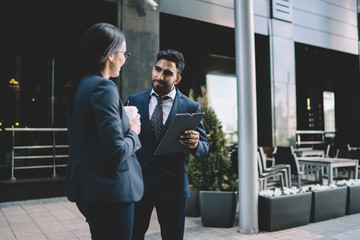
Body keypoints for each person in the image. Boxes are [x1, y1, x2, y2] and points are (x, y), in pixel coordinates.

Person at [65, 22, 143, 240]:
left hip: (89, 189)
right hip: (110, 192)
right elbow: (115, 151)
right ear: (110, 55)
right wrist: (133, 131)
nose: (125, 59)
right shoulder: (104, 87)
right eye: (123, 53)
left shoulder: (81, 84)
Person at [127, 49, 210, 240]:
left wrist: (196, 144)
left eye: (167, 73)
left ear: (177, 79)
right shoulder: (134, 100)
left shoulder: (191, 107)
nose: (159, 76)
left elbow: (204, 150)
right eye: (157, 69)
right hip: (138, 184)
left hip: (173, 188)